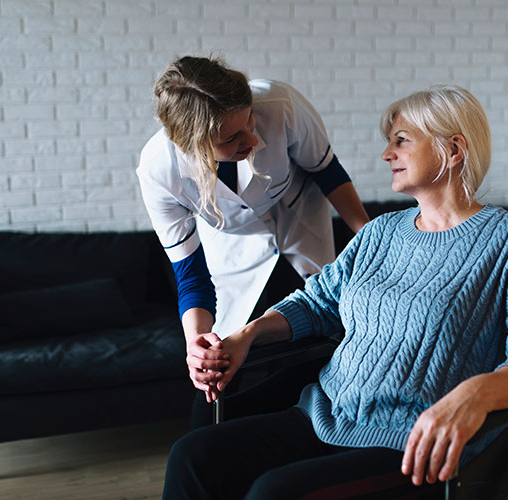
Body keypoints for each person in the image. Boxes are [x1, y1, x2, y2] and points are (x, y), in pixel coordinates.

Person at [161, 85, 508, 499]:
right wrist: (247, 335)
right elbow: (319, 301)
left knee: (273, 492)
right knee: (192, 456)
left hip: (409, 442)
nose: (386, 155)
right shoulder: (381, 231)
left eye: (401, 141)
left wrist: (476, 393)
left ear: (453, 150)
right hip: (326, 411)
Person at [136, 56, 370, 423]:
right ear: (195, 146)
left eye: (249, 120)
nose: (254, 139)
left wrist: (371, 240)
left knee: (322, 342)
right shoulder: (159, 172)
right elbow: (191, 276)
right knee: (225, 370)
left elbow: (328, 173)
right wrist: (195, 344)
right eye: (232, 138)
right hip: (234, 253)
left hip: (301, 226)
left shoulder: (280, 105)